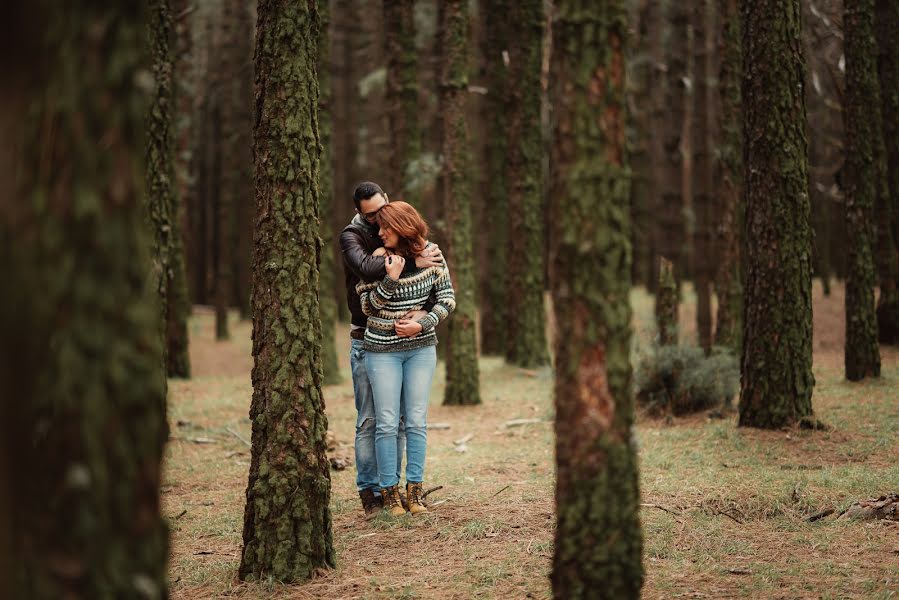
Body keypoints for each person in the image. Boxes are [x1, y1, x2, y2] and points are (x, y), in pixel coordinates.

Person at [339, 182, 443, 519]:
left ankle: (402, 490)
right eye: (370, 217)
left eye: (381, 214)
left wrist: (425, 318)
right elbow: (368, 273)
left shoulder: (415, 244)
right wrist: (411, 260)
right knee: (373, 421)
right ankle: (373, 494)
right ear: (360, 213)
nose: (376, 223)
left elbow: (444, 294)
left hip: (416, 345)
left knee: (405, 421)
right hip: (368, 340)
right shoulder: (353, 237)